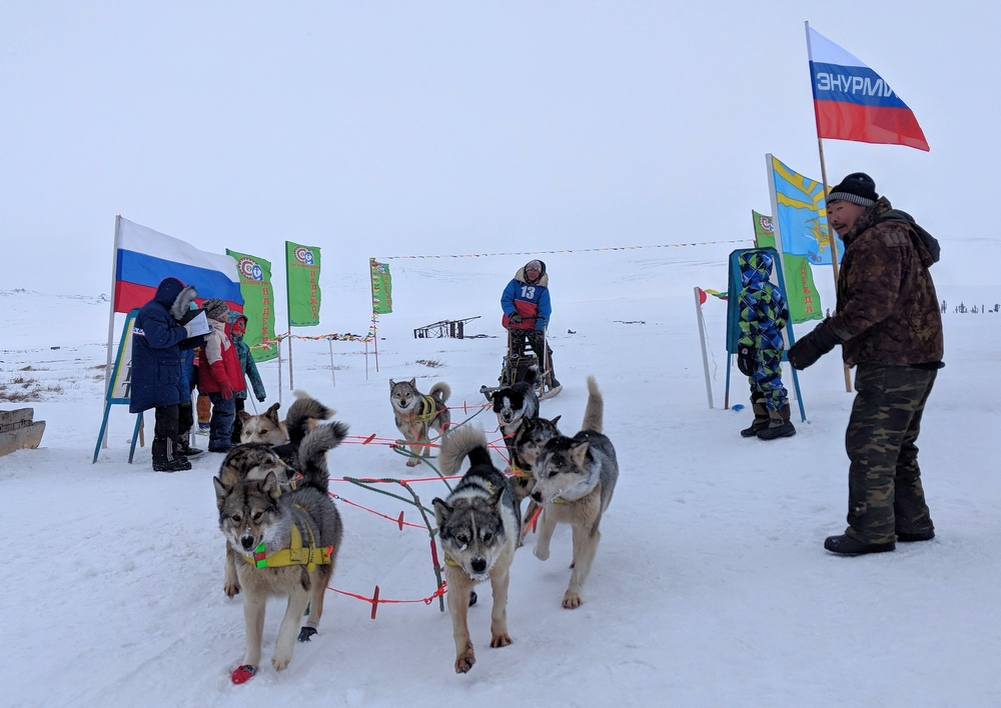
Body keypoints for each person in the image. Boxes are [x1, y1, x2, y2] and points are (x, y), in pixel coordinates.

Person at [788, 172, 943, 556]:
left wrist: (817, 342)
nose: (832, 219)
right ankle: (912, 521)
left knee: (870, 446)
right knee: (897, 445)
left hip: (892, 359)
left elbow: (869, 306)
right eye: (828, 212)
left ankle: (871, 531)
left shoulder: (876, 240)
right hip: (915, 356)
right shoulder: (891, 235)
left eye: (838, 208)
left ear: (861, 206)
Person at [129, 277, 203, 472]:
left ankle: (170, 456)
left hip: (164, 374)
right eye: (183, 301)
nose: (184, 307)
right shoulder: (153, 312)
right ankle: (165, 460)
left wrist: (200, 336)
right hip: (157, 374)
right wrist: (184, 332)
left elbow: (173, 342)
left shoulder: (161, 312)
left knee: (170, 418)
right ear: (174, 297)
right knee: (167, 420)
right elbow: (159, 339)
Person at [735, 250, 795, 440]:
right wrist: (772, 330)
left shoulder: (749, 292)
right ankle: (764, 419)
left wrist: (745, 348)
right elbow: (784, 316)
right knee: (764, 377)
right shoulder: (774, 290)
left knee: (765, 379)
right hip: (774, 339)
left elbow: (748, 324)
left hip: (759, 343)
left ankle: (781, 422)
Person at [501, 259, 560, 389]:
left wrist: (540, 327)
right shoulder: (514, 284)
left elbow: (545, 310)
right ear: (525, 271)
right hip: (515, 325)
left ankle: (549, 377)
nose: (532, 272)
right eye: (530, 269)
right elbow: (506, 299)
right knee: (515, 354)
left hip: (534, 327)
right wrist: (512, 314)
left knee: (544, 352)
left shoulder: (542, 290)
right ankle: (513, 378)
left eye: (536, 270)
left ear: (540, 273)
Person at [197, 298, 246, 452]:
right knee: (224, 413)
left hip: (224, 383)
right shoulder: (213, 334)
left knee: (226, 413)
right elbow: (215, 362)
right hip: (220, 384)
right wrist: (224, 382)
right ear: (218, 315)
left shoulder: (219, 332)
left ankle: (222, 440)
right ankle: (219, 442)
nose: (227, 315)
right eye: (225, 312)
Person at [227, 311, 267, 444]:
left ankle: (236, 436)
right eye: (236, 330)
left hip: (240, 389)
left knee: (239, 414)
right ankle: (224, 437)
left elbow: (252, 370)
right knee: (226, 413)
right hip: (226, 387)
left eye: (241, 330)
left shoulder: (244, 348)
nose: (239, 333)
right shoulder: (225, 345)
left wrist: (260, 392)